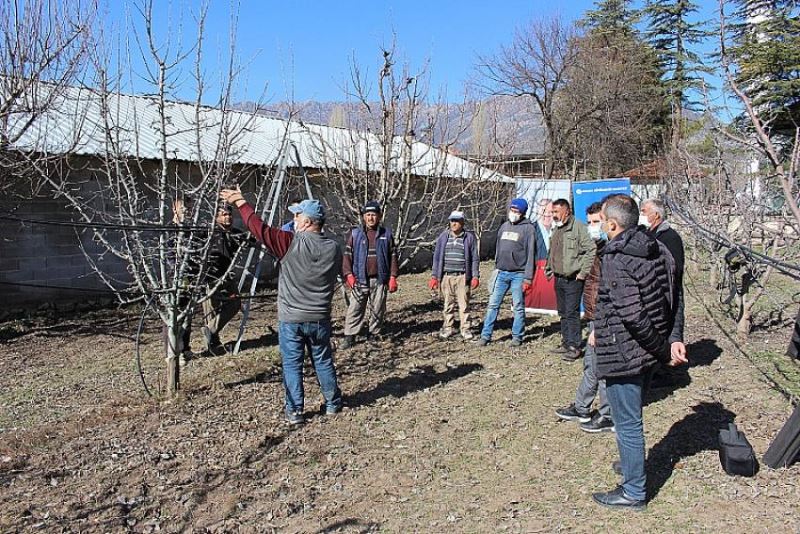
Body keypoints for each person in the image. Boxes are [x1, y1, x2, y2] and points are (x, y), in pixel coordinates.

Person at [591, 194, 687, 510]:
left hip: (626, 354)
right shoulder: (657, 247)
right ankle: (633, 467)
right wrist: (673, 338)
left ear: (613, 224)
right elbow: (676, 295)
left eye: (602, 219)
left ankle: (633, 492)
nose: (600, 224)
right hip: (647, 351)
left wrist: (665, 351)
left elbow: (633, 316)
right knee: (633, 416)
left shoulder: (616, 258)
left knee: (627, 422)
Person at [220, 188, 343, 425]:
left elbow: (260, 229)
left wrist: (241, 203)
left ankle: (295, 411)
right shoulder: (334, 248)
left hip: (292, 318)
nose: (293, 220)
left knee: (292, 364)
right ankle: (333, 403)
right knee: (323, 360)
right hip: (320, 316)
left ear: (307, 222)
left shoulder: (289, 242)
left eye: (297, 216)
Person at [555, 202, 614, 433]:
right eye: (589, 222)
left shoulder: (612, 252)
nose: (592, 227)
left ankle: (607, 414)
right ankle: (581, 407)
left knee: (603, 367)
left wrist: (599, 326)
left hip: (604, 320)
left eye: (596, 222)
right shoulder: (598, 247)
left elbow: (611, 292)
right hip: (594, 316)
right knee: (591, 365)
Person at [476, 198, 537, 347]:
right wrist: (496, 266)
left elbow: (531, 255)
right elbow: (498, 247)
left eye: (517, 211)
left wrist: (528, 278)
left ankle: (517, 337)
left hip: (519, 274)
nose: (513, 213)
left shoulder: (529, 229)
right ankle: (485, 336)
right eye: (512, 210)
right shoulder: (503, 226)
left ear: (522, 213)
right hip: (501, 272)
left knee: (518, 307)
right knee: (493, 305)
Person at [340, 201, 399, 349]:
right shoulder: (355, 234)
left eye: (373, 215)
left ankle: (374, 334)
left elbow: (393, 256)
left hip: (379, 279)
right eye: (368, 215)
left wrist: (392, 277)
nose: (371, 218)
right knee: (355, 308)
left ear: (379, 216)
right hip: (360, 280)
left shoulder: (386, 235)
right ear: (363, 217)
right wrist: (349, 275)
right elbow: (347, 256)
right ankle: (350, 336)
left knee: (378, 308)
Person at [546, 198, 596, 360]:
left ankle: (575, 346)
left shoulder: (579, 228)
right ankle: (566, 342)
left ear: (566, 211)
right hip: (559, 277)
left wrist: (582, 273)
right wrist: (549, 268)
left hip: (573, 279)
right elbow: (553, 251)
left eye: (556, 212)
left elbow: (591, 250)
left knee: (571, 313)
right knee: (563, 312)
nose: (553, 215)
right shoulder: (557, 229)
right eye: (552, 212)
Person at [640, 198, 687, 370]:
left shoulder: (670, 237)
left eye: (644, 211)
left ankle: (669, 369)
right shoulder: (648, 234)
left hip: (668, 290)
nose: (642, 215)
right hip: (653, 289)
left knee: (669, 328)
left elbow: (676, 267)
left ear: (656, 215)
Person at [199, 204, 248, 355]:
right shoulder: (209, 234)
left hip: (227, 275)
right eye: (223, 214)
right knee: (211, 310)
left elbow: (249, 239)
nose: (227, 217)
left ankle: (210, 329)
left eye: (229, 214)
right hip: (211, 277)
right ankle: (212, 346)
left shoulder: (234, 233)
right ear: (216, 217)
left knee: (235, 303)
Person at [429, 210, 480, 340]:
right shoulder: (443, 237)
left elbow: (474, 258)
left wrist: (475, 276)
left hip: (462, 277)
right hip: (446, 276)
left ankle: (465, 329)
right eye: (452, 221)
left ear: (462, 222)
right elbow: (436, 257)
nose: (454, 223)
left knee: (464, 305)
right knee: (448, 304)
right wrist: (434, 276)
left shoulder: (469, 237)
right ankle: (448, 327)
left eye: (457, 221)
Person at [528, 199, 557, 311]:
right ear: (538, 212)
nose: (547, 214)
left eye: (550, 211)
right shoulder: (531, 229)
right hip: (536, 273)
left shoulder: (557, 230)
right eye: (543, 210)